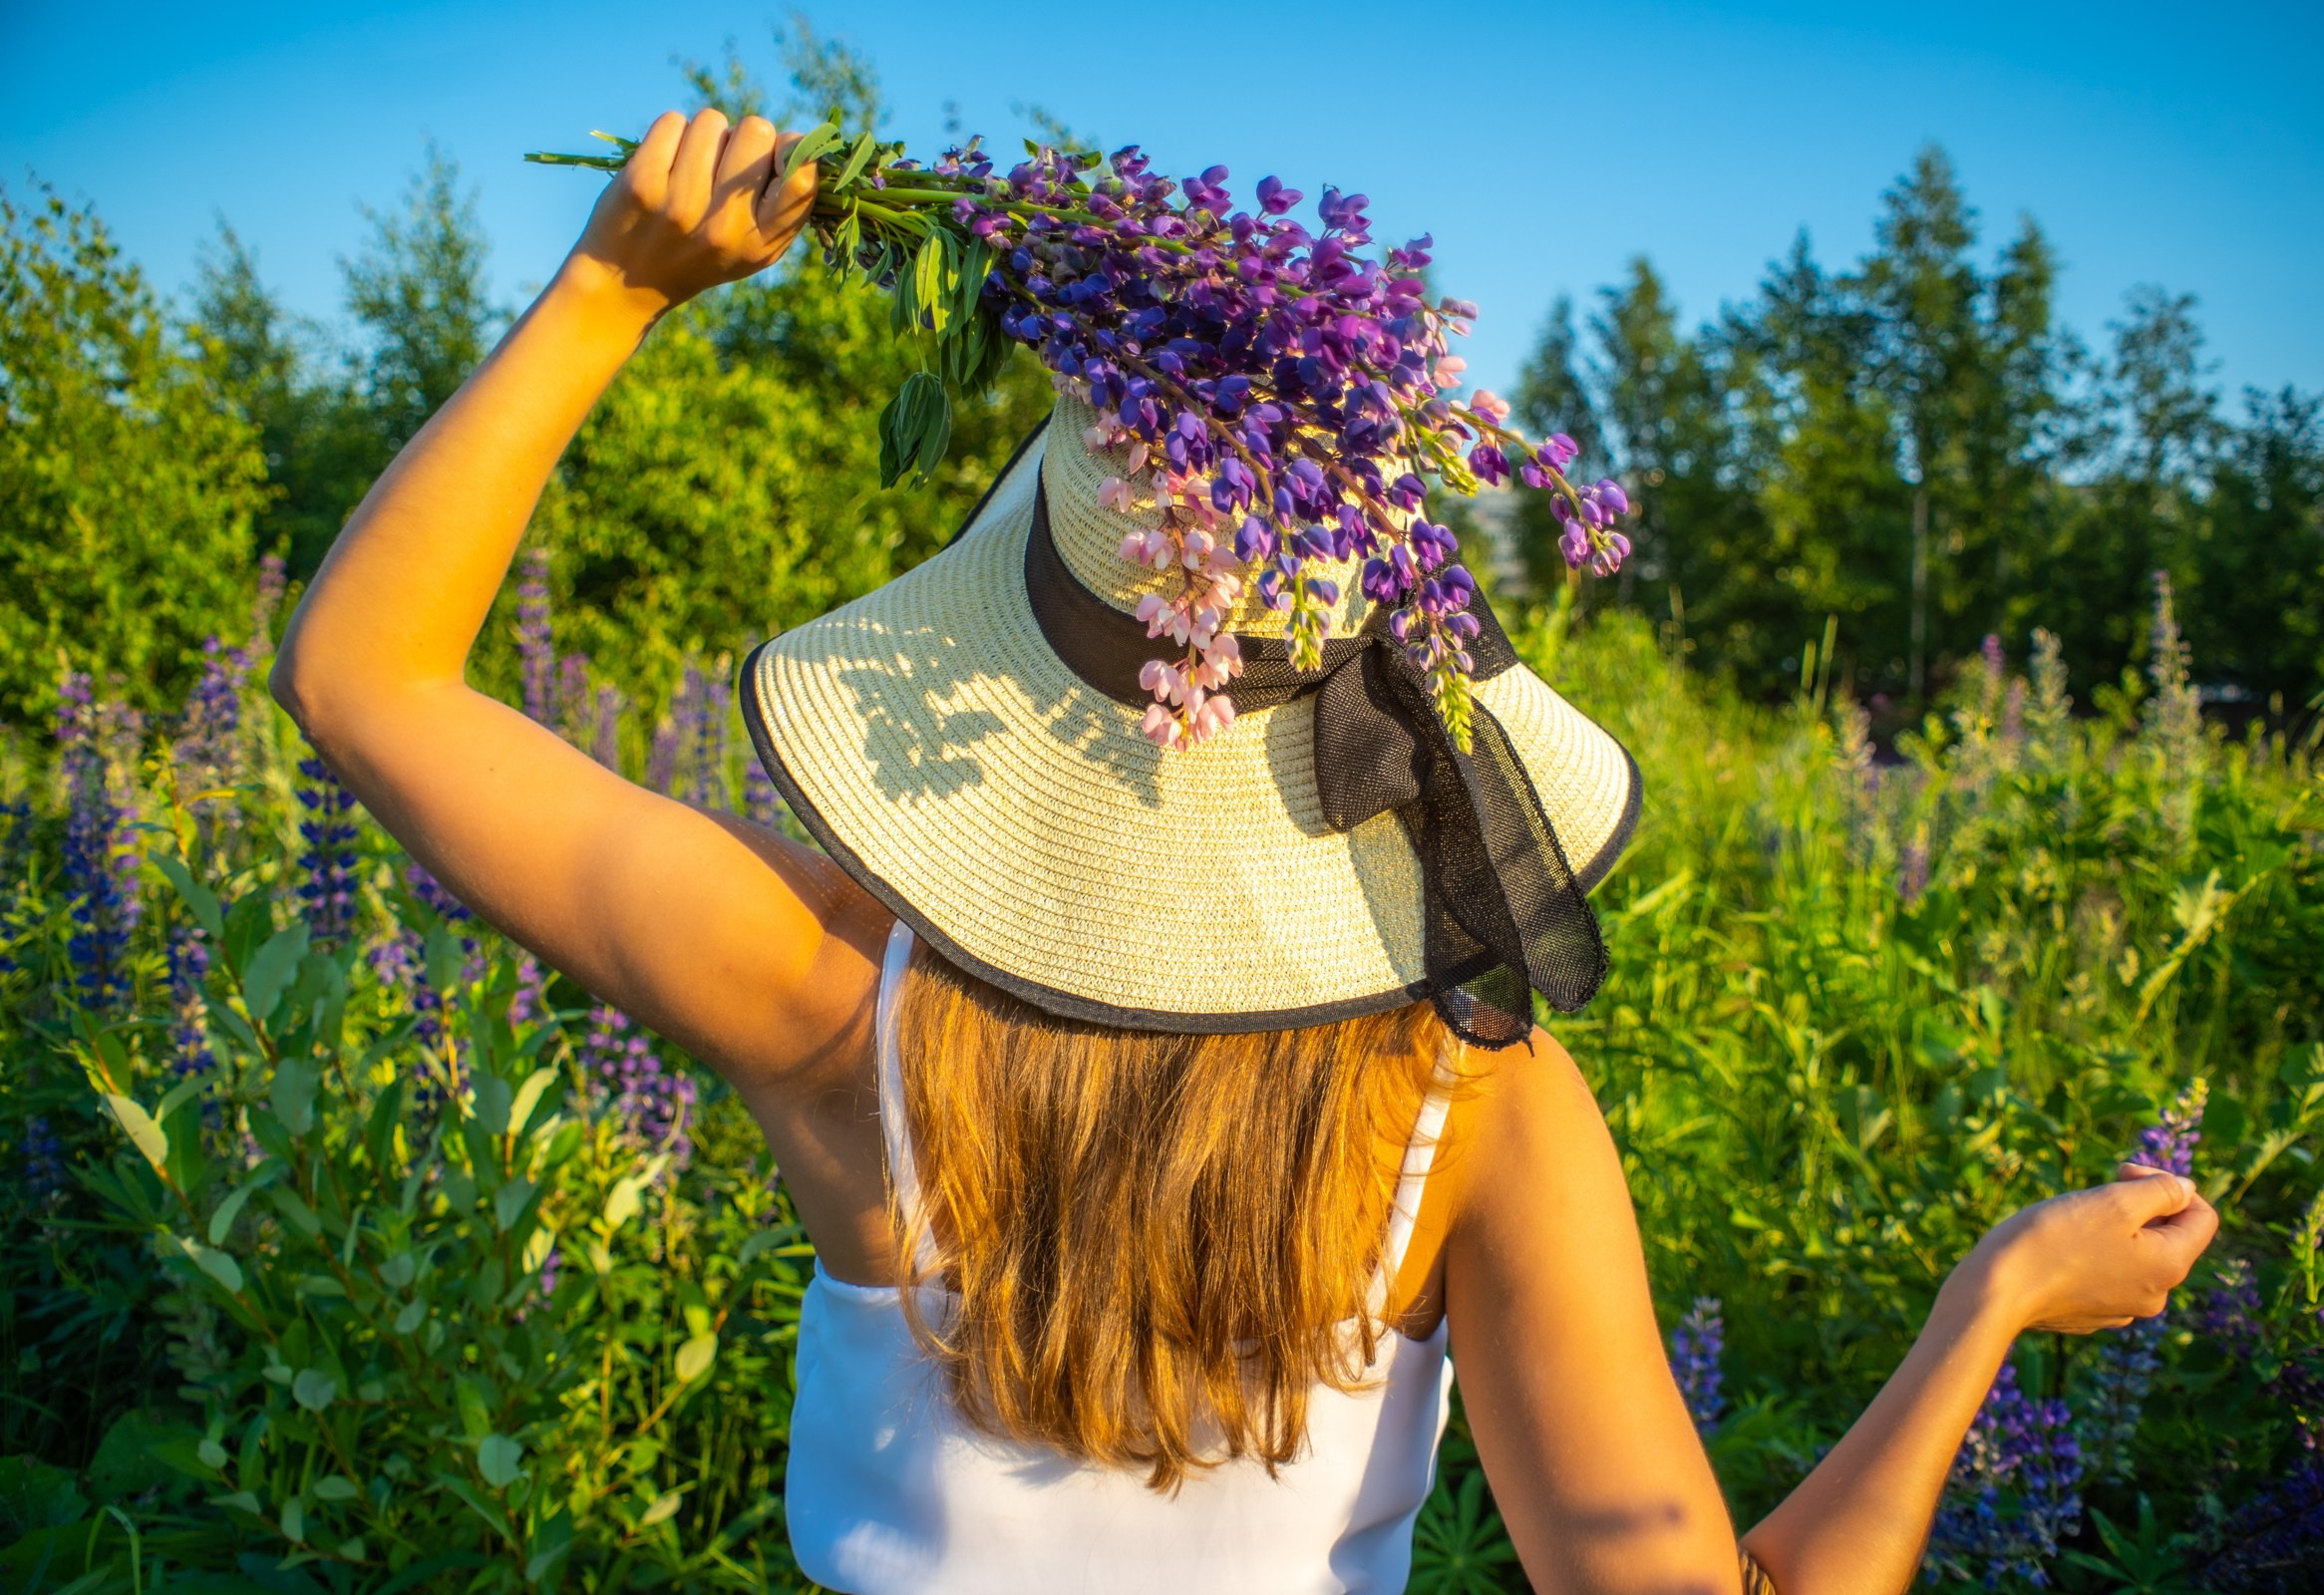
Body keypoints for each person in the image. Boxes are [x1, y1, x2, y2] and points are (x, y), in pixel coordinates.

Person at [270, 108, 2219, 1594]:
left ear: (1019, 636)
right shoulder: (1472, 1112)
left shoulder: (830, 996)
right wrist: (1991, 1305)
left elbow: (366, 677)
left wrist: (614, 289)